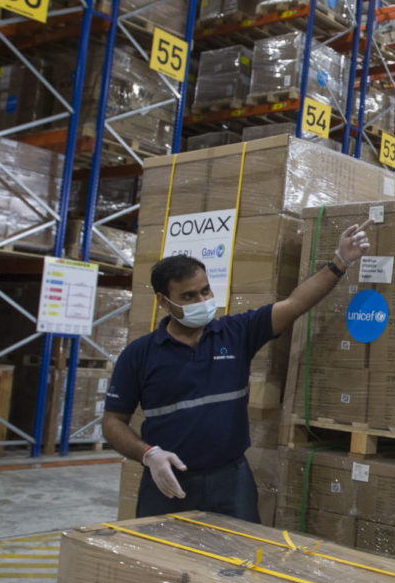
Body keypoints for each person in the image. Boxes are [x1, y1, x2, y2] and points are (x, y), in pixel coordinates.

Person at [102, 219, 373, 521]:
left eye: (205, 291)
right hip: (168, 482)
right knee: (163, 562)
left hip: (230, 481)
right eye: (189, 297)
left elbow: (295, 303)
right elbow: (113, 421)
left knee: (240, 563)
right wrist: (148, 455)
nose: (202, 301)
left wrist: (340, 261)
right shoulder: (139, 355)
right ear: (163, 302)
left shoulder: (236, 333)